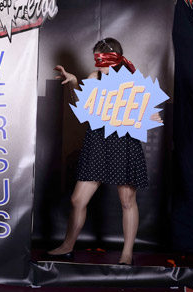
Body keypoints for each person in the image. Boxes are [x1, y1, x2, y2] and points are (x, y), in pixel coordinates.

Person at [48, 37, 161, 265]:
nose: (98, 65)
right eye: (96, 60)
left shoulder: (132, 80)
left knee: (127, 200)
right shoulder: (94, 77)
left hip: (124, 143)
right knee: (77, 199)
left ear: (114, 59)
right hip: (98, 141)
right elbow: (82, 109)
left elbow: (147, 111)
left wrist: (150, 113)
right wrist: (73, 82)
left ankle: (127, 254)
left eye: (102, 60)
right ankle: (67, 246)